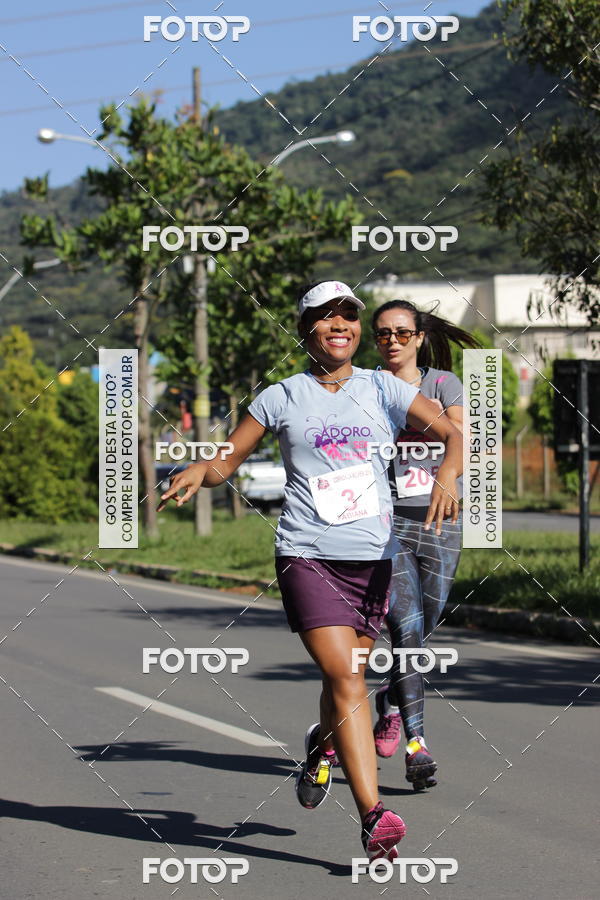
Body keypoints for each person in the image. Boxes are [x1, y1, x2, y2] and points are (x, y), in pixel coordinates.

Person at [158, 281, 463, 861]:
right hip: (307, 556)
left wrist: (448, 472)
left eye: (348, 315)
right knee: (349, 678)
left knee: (342, 686)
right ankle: (374, 817)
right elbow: (230, 458)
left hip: (373, 560)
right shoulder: (282, 396)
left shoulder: (381, 388)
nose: (340, 325)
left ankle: (321, 747)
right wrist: (202, 468)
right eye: (325, 318)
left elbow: (453, 434)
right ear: (306, 332)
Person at [371, 299, 479, 791]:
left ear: (417, 338)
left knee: (427, 622)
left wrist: (449, 476)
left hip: (440, 520)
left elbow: (460, 436)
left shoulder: (442, 384)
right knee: (406, 626)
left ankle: (390, 700)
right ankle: (417, 743)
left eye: (400, 333)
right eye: (382, 334)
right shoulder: (367, 387)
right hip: (386, 522)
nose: (391, 341)